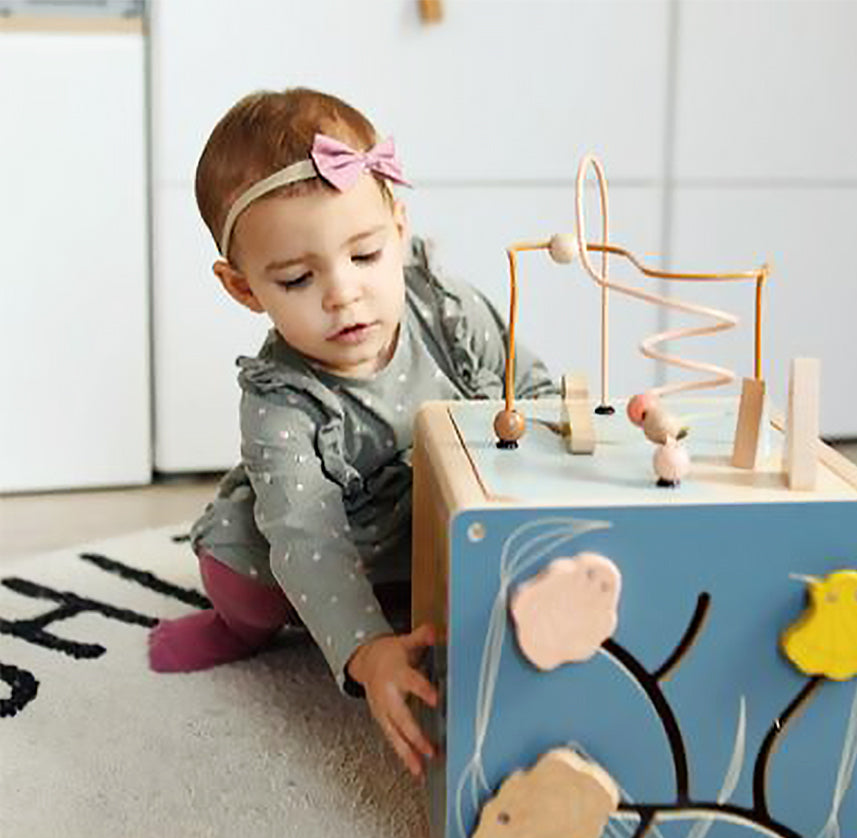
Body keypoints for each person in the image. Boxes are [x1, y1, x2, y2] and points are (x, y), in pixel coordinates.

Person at [148, 87, 557, 779]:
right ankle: (243, 627)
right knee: (241, 570)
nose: (343, 293)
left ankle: (402, 599)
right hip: (318, 539)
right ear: (247, 289)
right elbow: (306, 538)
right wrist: (366, 652)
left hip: (430, 526)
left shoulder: (453, 315)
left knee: (455, 582)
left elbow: (536, 393)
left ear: (399, 230)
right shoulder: (281, 399)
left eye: (365, 256)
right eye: (299, 278)